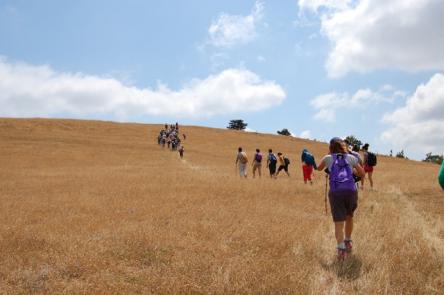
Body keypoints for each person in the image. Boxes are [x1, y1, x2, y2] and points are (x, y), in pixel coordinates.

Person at [317, 137, 365, 260]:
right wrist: (353, 172)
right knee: (349, 216)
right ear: (343, 147)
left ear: (330, 147)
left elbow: (319, 168)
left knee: (339, 223)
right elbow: (362, 174)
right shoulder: (351, 158)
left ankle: (341, 249)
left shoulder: (328, 158)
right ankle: (348, 241)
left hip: (336, 192)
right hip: (351, 191)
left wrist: (329, 159)